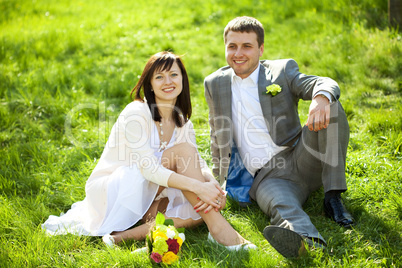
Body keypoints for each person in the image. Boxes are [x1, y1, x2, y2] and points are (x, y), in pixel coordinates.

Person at [42, 51, 255, 251]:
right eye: (160, 77)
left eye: (174, 74)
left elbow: (196, 162)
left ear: (183, 79)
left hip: (152, 187)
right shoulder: (136, 112)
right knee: (187, 164)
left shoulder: (182, 120)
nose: (168, 81)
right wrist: (199, 187)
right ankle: (220, 231)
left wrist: (211, 185)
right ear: (150, 84)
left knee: (199, 211)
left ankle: (119, 238)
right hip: (116, 187)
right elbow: (149, 169)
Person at [204, 16, 354, 258]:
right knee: (282, 207)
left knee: (332, 107)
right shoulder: (214, 83)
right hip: (267, 177)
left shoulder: (281, 71)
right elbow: (216, 134)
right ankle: (307, 242)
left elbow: (323, 82)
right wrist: (218, 180)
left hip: (301, 155)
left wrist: (320, 98)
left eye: (247, 46)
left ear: (261, 49)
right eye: (232, 46)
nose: (238, 53)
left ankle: (333, 196)